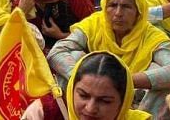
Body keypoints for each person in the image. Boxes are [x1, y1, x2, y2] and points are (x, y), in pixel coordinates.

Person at [48, 0, 170, 119]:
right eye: (112, 6)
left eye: (126, 7)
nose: (118, 13)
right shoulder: (93, 25)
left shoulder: (153, 36)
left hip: (137, 96)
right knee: (75, 57)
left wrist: (122, 81)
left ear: (138, 13)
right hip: (94, 92)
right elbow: (56, 52)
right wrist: (86, 78)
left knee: (164, 78)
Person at [23, 51, 151, 120]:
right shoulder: (44, 113)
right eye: (83, 96)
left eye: (105, 101)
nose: (90, 109)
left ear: (123, 103)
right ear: (72, 90)